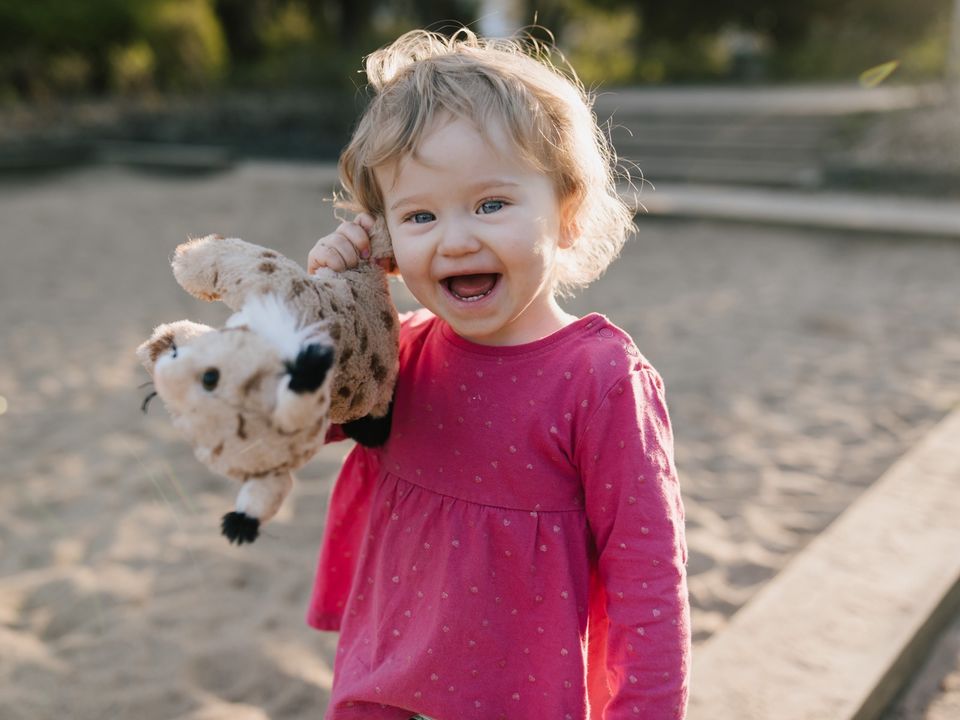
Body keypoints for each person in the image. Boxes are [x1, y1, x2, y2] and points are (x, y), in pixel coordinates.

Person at [305, 28, 690, 720]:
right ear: (386, 237)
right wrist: (342, 305)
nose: (456, 239)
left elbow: (649, 583)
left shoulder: (599, 380)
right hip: (377, 687)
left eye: (491, 205)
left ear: (566, 214)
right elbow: (297, 420)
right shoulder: (401, 353)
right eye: (419, 215)